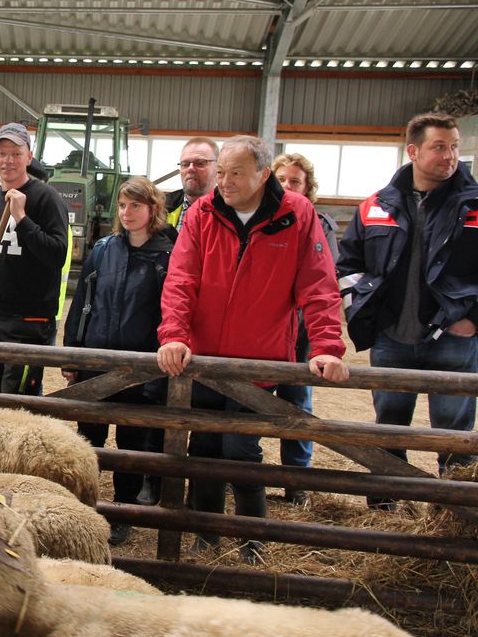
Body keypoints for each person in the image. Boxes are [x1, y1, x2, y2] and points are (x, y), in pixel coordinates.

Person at [157, 135, 348, 562]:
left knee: (242, 450)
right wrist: (174, 335)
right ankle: (206, 534)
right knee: (203, 447)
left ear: (263, 174)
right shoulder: (202, 213)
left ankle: (251, 537)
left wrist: (327, 345)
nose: (224, 182)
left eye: (236, 173)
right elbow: (181, 279)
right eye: (221, 172)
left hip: (259, 360)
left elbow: (318, 284)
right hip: (203, 359)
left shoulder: (297, 215)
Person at [338, 112, 478, 498]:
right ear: (413, 150)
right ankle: (386, 505)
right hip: (392, 337)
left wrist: (474, 320)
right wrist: (364, 309)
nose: (450, 156)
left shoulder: (476, 205)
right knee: (391, 425)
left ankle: (455, 513)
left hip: (455, 338)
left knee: (454, 435)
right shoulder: (374, 206)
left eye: (454, 147)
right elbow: (347, 267)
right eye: (439, 147)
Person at [62, 177, 171, 546]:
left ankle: (123, 512)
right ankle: (82, 508)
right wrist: (73, 350)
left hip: (138, 367)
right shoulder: (104, 249)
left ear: (153, 210)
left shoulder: (165, 256)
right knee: (88, 438)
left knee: (130, 441)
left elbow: (168, 312)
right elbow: (81, 302)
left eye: (135, 206)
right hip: (96, 358)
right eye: (123, 206)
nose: (127, 213)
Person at [0, 123, 69, 396]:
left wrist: (22, 219)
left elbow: (56, 253)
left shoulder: (45, 198)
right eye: (2, 153)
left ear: (29, 156)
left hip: (28, 322)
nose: (8, 160)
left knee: (17, 403)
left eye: (16, 153)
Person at [271, 153, 340, 504]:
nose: (287, 187)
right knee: (246, 405)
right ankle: (235, 478)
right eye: (281, 180)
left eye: (294, 181)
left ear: (307, 188)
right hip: (265, 334)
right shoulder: (265, 221)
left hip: (299, 335)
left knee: (297, 407)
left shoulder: (320, 224)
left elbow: (322, 278)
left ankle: (296, 484)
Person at [165, 137, 218, 232]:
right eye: (185, 164)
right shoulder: (162, 207)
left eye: (200, 163)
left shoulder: (231, 210)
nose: (190, 168)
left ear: (218, 167)